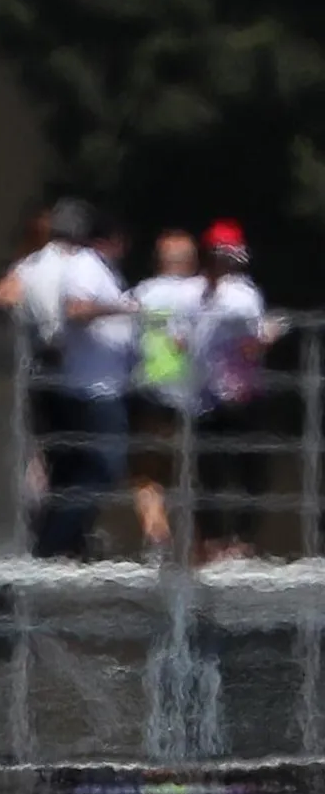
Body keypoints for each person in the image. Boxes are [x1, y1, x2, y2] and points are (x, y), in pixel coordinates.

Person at [29, 202, 138, 558]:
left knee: (79, 472)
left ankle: (66, 541)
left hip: (102, 386)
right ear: (113, 240)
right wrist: (124, 309)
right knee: (104, 469)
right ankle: (51, 544)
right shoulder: (85, 267)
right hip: (93, 391)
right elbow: (77, 309)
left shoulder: (94, 268)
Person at [0, 202, 81, 545]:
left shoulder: (30, 267)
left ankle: (55, 528)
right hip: (50, 365)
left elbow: (0, 299)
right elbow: (2, 297)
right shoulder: (42, 266)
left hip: (42, 366)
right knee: (55, 451)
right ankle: (52, 531)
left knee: (49, 452)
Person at [189, 220, 276, 560]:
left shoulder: (191, 291)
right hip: (243, 394)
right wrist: (271, 335)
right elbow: (250, 346)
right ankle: (241, 542)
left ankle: (210, 543)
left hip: (203, 395)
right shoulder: (243, 293)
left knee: (208, 474)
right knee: (251, 472)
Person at [128, 227, 208, 555]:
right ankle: (201, 548)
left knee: (147, 472)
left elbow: (125, 339)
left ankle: (156, 532)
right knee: (197, 475)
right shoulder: (205, 292)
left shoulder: (142, 293)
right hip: (197, 394)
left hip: (152, 392)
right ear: (192, 261)